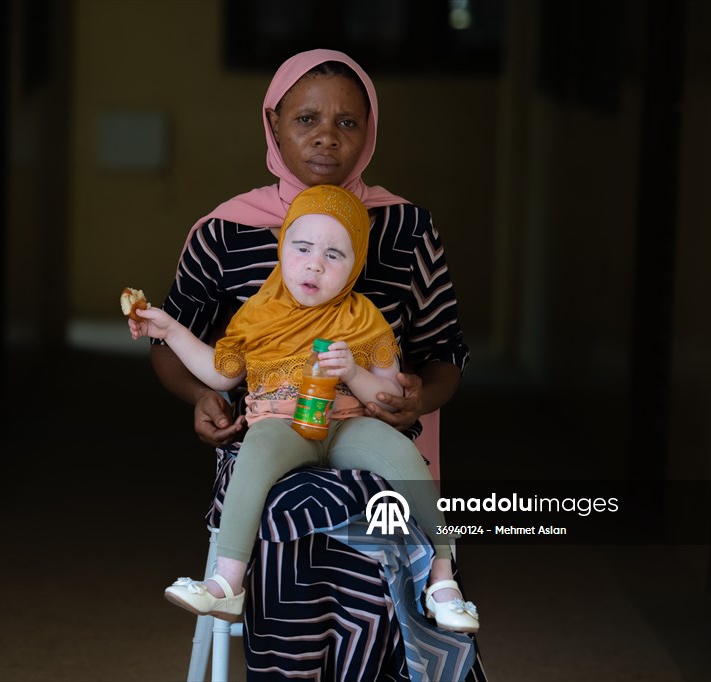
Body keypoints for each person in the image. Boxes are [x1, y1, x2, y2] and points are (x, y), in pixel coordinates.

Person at [130, 184, 479, 633]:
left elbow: (388, 395)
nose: (315, 263)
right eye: (302, 247)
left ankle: (443, 581)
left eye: (334, 255)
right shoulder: (258, 313)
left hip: (348, 425)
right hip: (281, 425)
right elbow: (221, 374)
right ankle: (227, 582)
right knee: (255, 451)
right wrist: (171, 330)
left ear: (355, 266)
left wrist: (353, 372)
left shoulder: (363, 317)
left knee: (405, 458)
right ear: (282, 249)